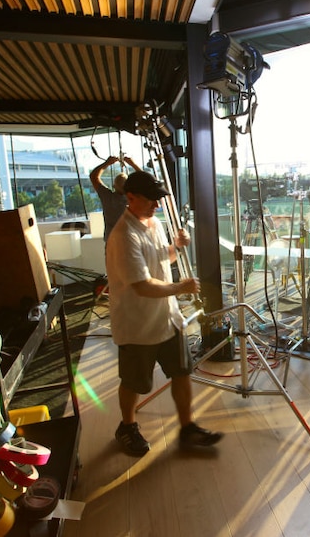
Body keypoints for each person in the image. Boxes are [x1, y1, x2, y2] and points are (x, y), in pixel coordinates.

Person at [105, 170, 222, 457]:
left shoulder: (154, 223)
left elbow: (159, 258)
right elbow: (142, 286)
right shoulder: (122, 236)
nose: (157, 206)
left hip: (167, 318)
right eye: (151, 200)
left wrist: (176, 248)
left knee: (182, 372)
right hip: (138, 323)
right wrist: (180, 287)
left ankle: (187, 427)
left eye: (159, 200)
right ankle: (127, 426)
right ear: (130, 198)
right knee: (134, 382)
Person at [90, 155, 142, 242]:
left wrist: (107, 163)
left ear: (114, 186)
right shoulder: (134, 199)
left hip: (111, 241)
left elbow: (93, 177)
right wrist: (133, 164)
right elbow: (147, 181)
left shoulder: (107, 197)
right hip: (131, 240)